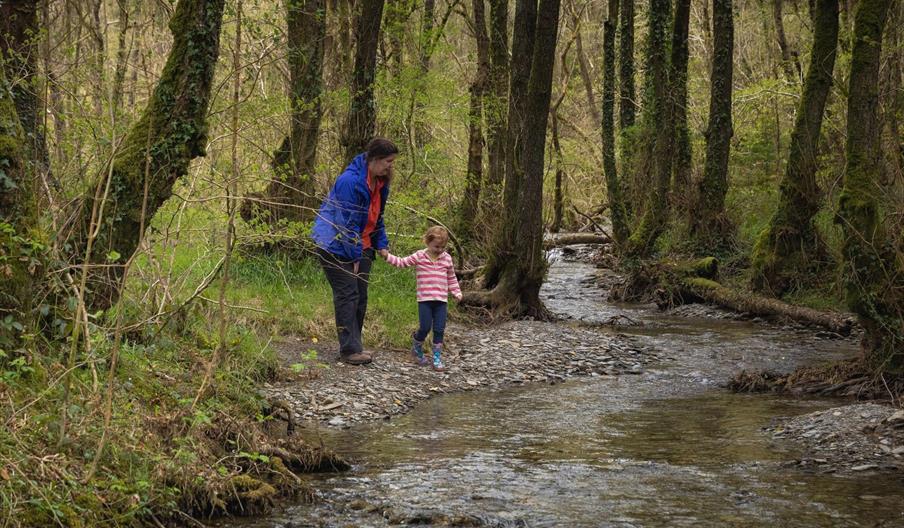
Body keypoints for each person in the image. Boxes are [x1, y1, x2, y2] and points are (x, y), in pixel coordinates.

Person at [311, 138, 398, 365]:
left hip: (363, 244)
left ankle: (355, 345)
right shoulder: (350, 182)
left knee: (360, 296)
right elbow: (346, 223)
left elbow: (377, 216)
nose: (391, 166)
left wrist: (381, 243)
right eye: (388, 161)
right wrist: (355, 256)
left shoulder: (380, 183)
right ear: (374, 159)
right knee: (347, 295)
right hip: (334, 244)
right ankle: (349, 350)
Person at [383, 226, 463, 372]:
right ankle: (417, 347)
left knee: (439, 329)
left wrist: (456, 292)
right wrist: (387, 255)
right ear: (427, 242)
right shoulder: (420, 256)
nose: (440, 249)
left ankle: (437, 357)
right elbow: (402, 262)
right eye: (436, 246)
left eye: (443, 247)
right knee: (425, 327)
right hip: (425, 300)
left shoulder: (447, 259)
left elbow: (451, 278)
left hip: (441, 301)